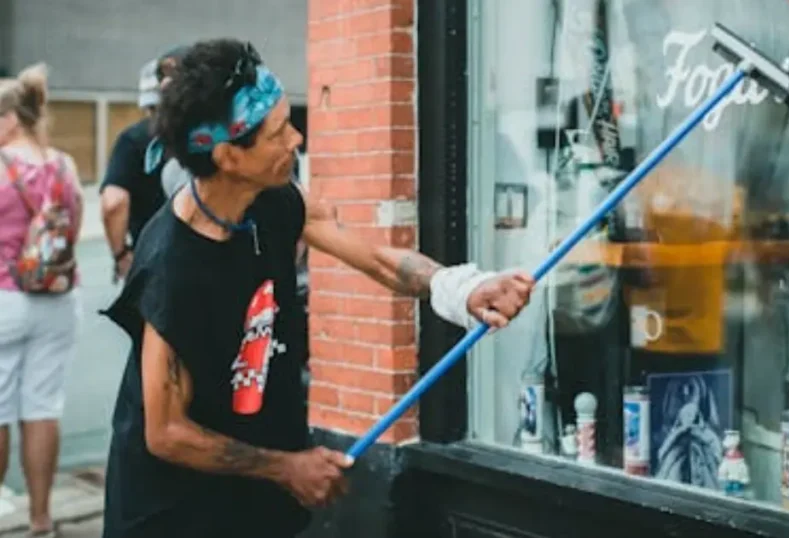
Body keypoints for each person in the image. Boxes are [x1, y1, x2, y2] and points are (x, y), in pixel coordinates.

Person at [99, 39, 535, 538]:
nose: (296, 139)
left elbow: (374, 258)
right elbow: (167, 432)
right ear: (228, 156)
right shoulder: (171, 265)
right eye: (278, 132)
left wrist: (462, 289)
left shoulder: (277, 201)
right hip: (175, 514)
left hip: (256, 498)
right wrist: (287, 467)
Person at [0, 63, 84, 538]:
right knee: (42, 408)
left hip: (4, 298)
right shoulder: (64, 165)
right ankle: (41, 520)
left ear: (10, 117)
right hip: (56, 300)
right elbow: (71, 229)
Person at [99, 47, 188, 282]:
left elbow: (113, 203)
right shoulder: (219, 137)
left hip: (151, 265)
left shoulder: (134, 139)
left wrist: (120, 255)